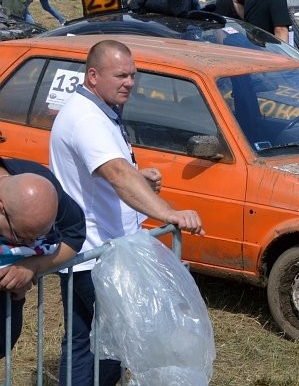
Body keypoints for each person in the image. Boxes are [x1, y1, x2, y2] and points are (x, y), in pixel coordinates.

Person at [50, 40, 204, 386]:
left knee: (85, 341)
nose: (130, 83)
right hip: (98, 256)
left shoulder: (97, 111)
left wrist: (140, 176)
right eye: (121, 75)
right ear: (93, 76)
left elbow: (114, 171)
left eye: (133, 75)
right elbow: (117, 174)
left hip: (93, 253)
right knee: (118, 342)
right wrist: (170, 214)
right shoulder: (86, 118)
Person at [0, 163, 84, 357]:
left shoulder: (42, 182)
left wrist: (32, 266)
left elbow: (74, 235)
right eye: (22, 236)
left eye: (38, 236)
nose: (31, 243)